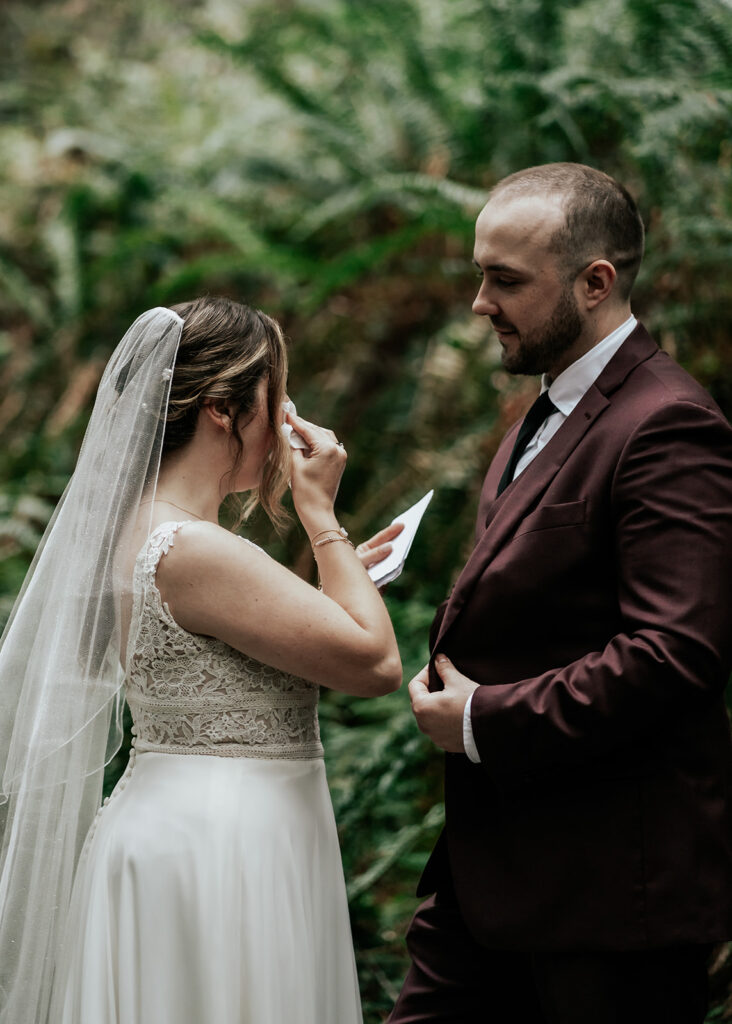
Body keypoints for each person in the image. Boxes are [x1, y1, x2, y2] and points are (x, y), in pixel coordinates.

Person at [389, 163, 732, 1024]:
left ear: (595, 282)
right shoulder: (540, 417)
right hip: (491, 881)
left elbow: (677, 651)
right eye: (479, 274)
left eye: (505, 280)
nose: (479, 302)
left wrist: (481, 720)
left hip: (610, 899)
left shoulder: (667, 424)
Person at [0, 296, 403, 1024]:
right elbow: (375, 665)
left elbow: (232, 650)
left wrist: (327, 591)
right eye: (277, 396)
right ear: (224, 407)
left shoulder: (153, 532)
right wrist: (323, 518)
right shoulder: (194, 547)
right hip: (222, 848)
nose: (288, 420)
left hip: (188, 827)